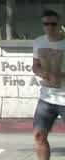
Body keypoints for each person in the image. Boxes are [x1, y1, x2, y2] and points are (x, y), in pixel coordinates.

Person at [33, 9, 65, 160]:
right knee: (39, 136)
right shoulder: (38, 42)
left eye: (53, 24)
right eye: (46, 24)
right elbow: (35, 65)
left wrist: (58, 75)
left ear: (59, 24)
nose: (50, 27)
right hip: (46, 99)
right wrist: (40, 72)